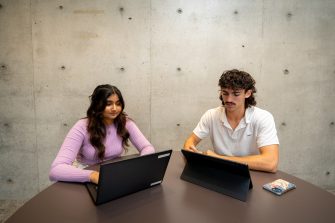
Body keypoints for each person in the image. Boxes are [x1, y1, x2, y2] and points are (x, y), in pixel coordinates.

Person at [49, 84, 155, 184]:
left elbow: (147, 147)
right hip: (87, 177)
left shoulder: (126, 122)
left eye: (118, 104)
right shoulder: (82, 126)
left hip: (114, 175)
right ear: (97, 105)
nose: (114, 108)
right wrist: (93, 176)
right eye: (108, 104)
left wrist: (140, 165)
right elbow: (56, 170)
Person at [184, 69, 279, 173]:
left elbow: (271, 163)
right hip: (220, 173)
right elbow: (190, 142)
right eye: (225, 93)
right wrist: (190, 151)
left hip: (252, 174)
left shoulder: (263, 117)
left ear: (248, 93)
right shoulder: (211, 115)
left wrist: (218, 158)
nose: (229, 99)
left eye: (236, 94)